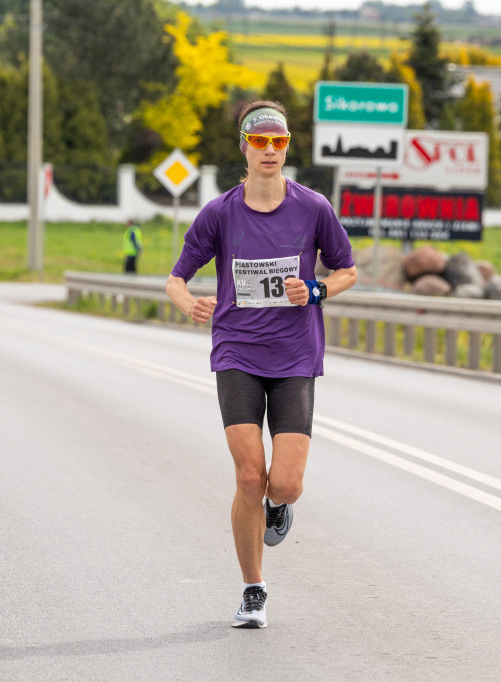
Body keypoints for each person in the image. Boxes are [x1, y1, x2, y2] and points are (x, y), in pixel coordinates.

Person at [165, 100, 357, 630]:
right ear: (244, 148)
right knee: (250, 475)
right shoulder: (220, 213)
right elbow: (176, 278)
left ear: (287, 146)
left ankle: (280, 506)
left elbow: (348, 270)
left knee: (285, 484)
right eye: (260, 141)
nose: (269, 150)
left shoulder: (314, 208)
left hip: (295, 356)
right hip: (237, 352)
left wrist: (316, 289)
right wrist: (190, 304)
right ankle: (253, 589)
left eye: (279, 142)